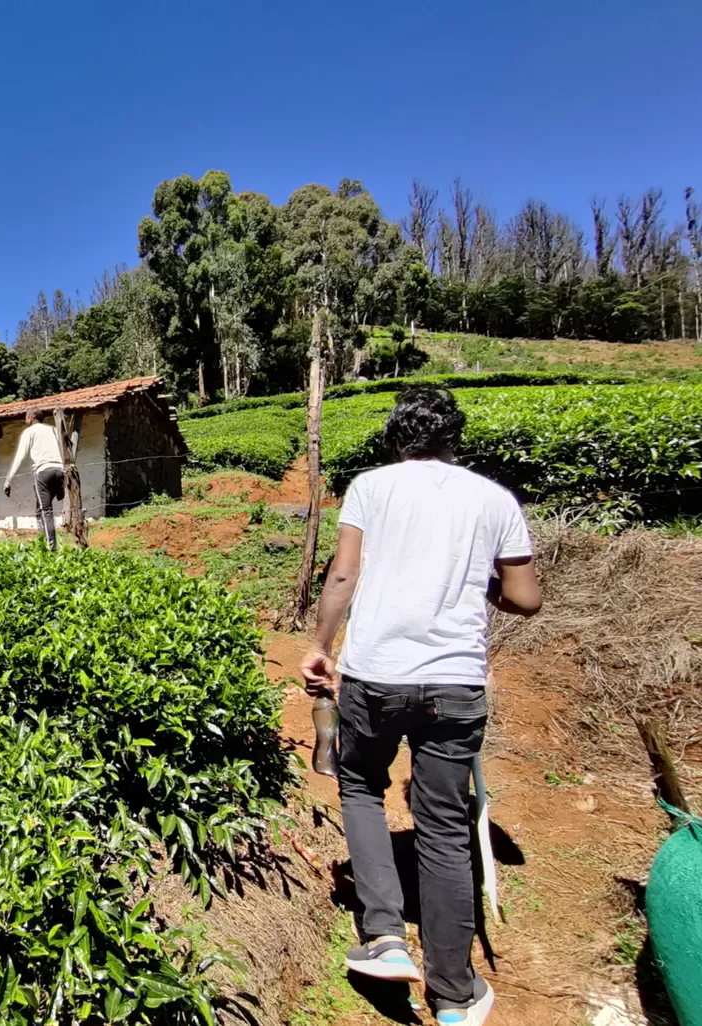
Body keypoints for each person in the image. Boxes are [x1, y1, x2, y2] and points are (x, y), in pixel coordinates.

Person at [299, 386, 542, 1026]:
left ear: (394, 435)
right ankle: (455, 993)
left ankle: (383, 935)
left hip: (377, 677)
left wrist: (321, 645)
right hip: (456, 685)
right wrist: (468, 574)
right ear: (453, 438)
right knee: (442, 825)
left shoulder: (372, 487)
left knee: (359, 785)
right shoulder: (496, 500)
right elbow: (525, 598)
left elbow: (345, 575)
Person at [2, 410, 65, 551]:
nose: (25, 420)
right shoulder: (53, 430)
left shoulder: (29, 432)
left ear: (31, 418)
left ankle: (51, 549)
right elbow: (64, 449)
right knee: (40, 510)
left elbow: (20, 456)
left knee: (45, 511)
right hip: (59, 471)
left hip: (43, 473)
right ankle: (42, 539)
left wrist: (8, 480)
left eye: (25, 417)